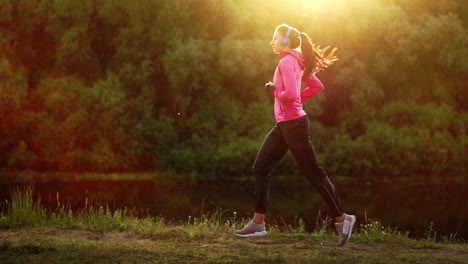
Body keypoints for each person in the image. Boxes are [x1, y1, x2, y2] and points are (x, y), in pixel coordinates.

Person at [234, 24, 356, 246]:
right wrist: (293, 98)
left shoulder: (287, 62)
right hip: (284, 124)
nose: (271, 41)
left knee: (313, 173)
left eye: (275, 38)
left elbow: (290, 94)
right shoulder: (296, 61)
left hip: (294, 125)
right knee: (261, 167)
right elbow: (317, 86)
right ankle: (258, 223)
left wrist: (273, 92)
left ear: (284, 42)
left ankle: (343, 219)